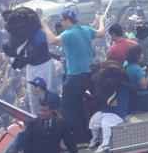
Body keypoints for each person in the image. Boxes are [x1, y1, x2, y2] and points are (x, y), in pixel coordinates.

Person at [42, 9, 106, 142]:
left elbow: (53, 41)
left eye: (62, 20)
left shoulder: (68, 33)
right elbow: (101, 33)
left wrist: (44, 24)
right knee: (82, 106)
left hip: (75, 77)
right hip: (88, 74)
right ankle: (88, 135)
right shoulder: (86, 30)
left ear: (67, 20)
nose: (61, 23)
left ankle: (77, 138)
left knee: (68, 109)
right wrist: (101, 20)